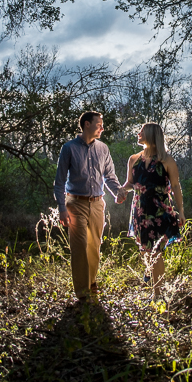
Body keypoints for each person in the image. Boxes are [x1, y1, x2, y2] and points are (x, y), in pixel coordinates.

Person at [54, 110, 125, 301]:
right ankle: (83, 294)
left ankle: (92, 283)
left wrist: (117, 192)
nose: (102, 127)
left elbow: (109, 176)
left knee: (94, 246)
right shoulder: (68, 148)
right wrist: (62, 209)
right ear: (87, 124)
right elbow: (59, 182)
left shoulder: (103, 149)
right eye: (99, 124)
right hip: (75, 203)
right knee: (79, 247)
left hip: (97, 204)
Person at [123, 121, 184, 299]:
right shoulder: (133, 159)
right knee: (144, 250)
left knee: (156, 251)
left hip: (160, 211)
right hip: (140, 210)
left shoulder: (166, 160)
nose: (138, 133)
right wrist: (121, 190)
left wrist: (181, 210)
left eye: (141, 131)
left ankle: (157, 294)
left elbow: (175, 186)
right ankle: (150, 273)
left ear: (150, 135)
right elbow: (130, 183)